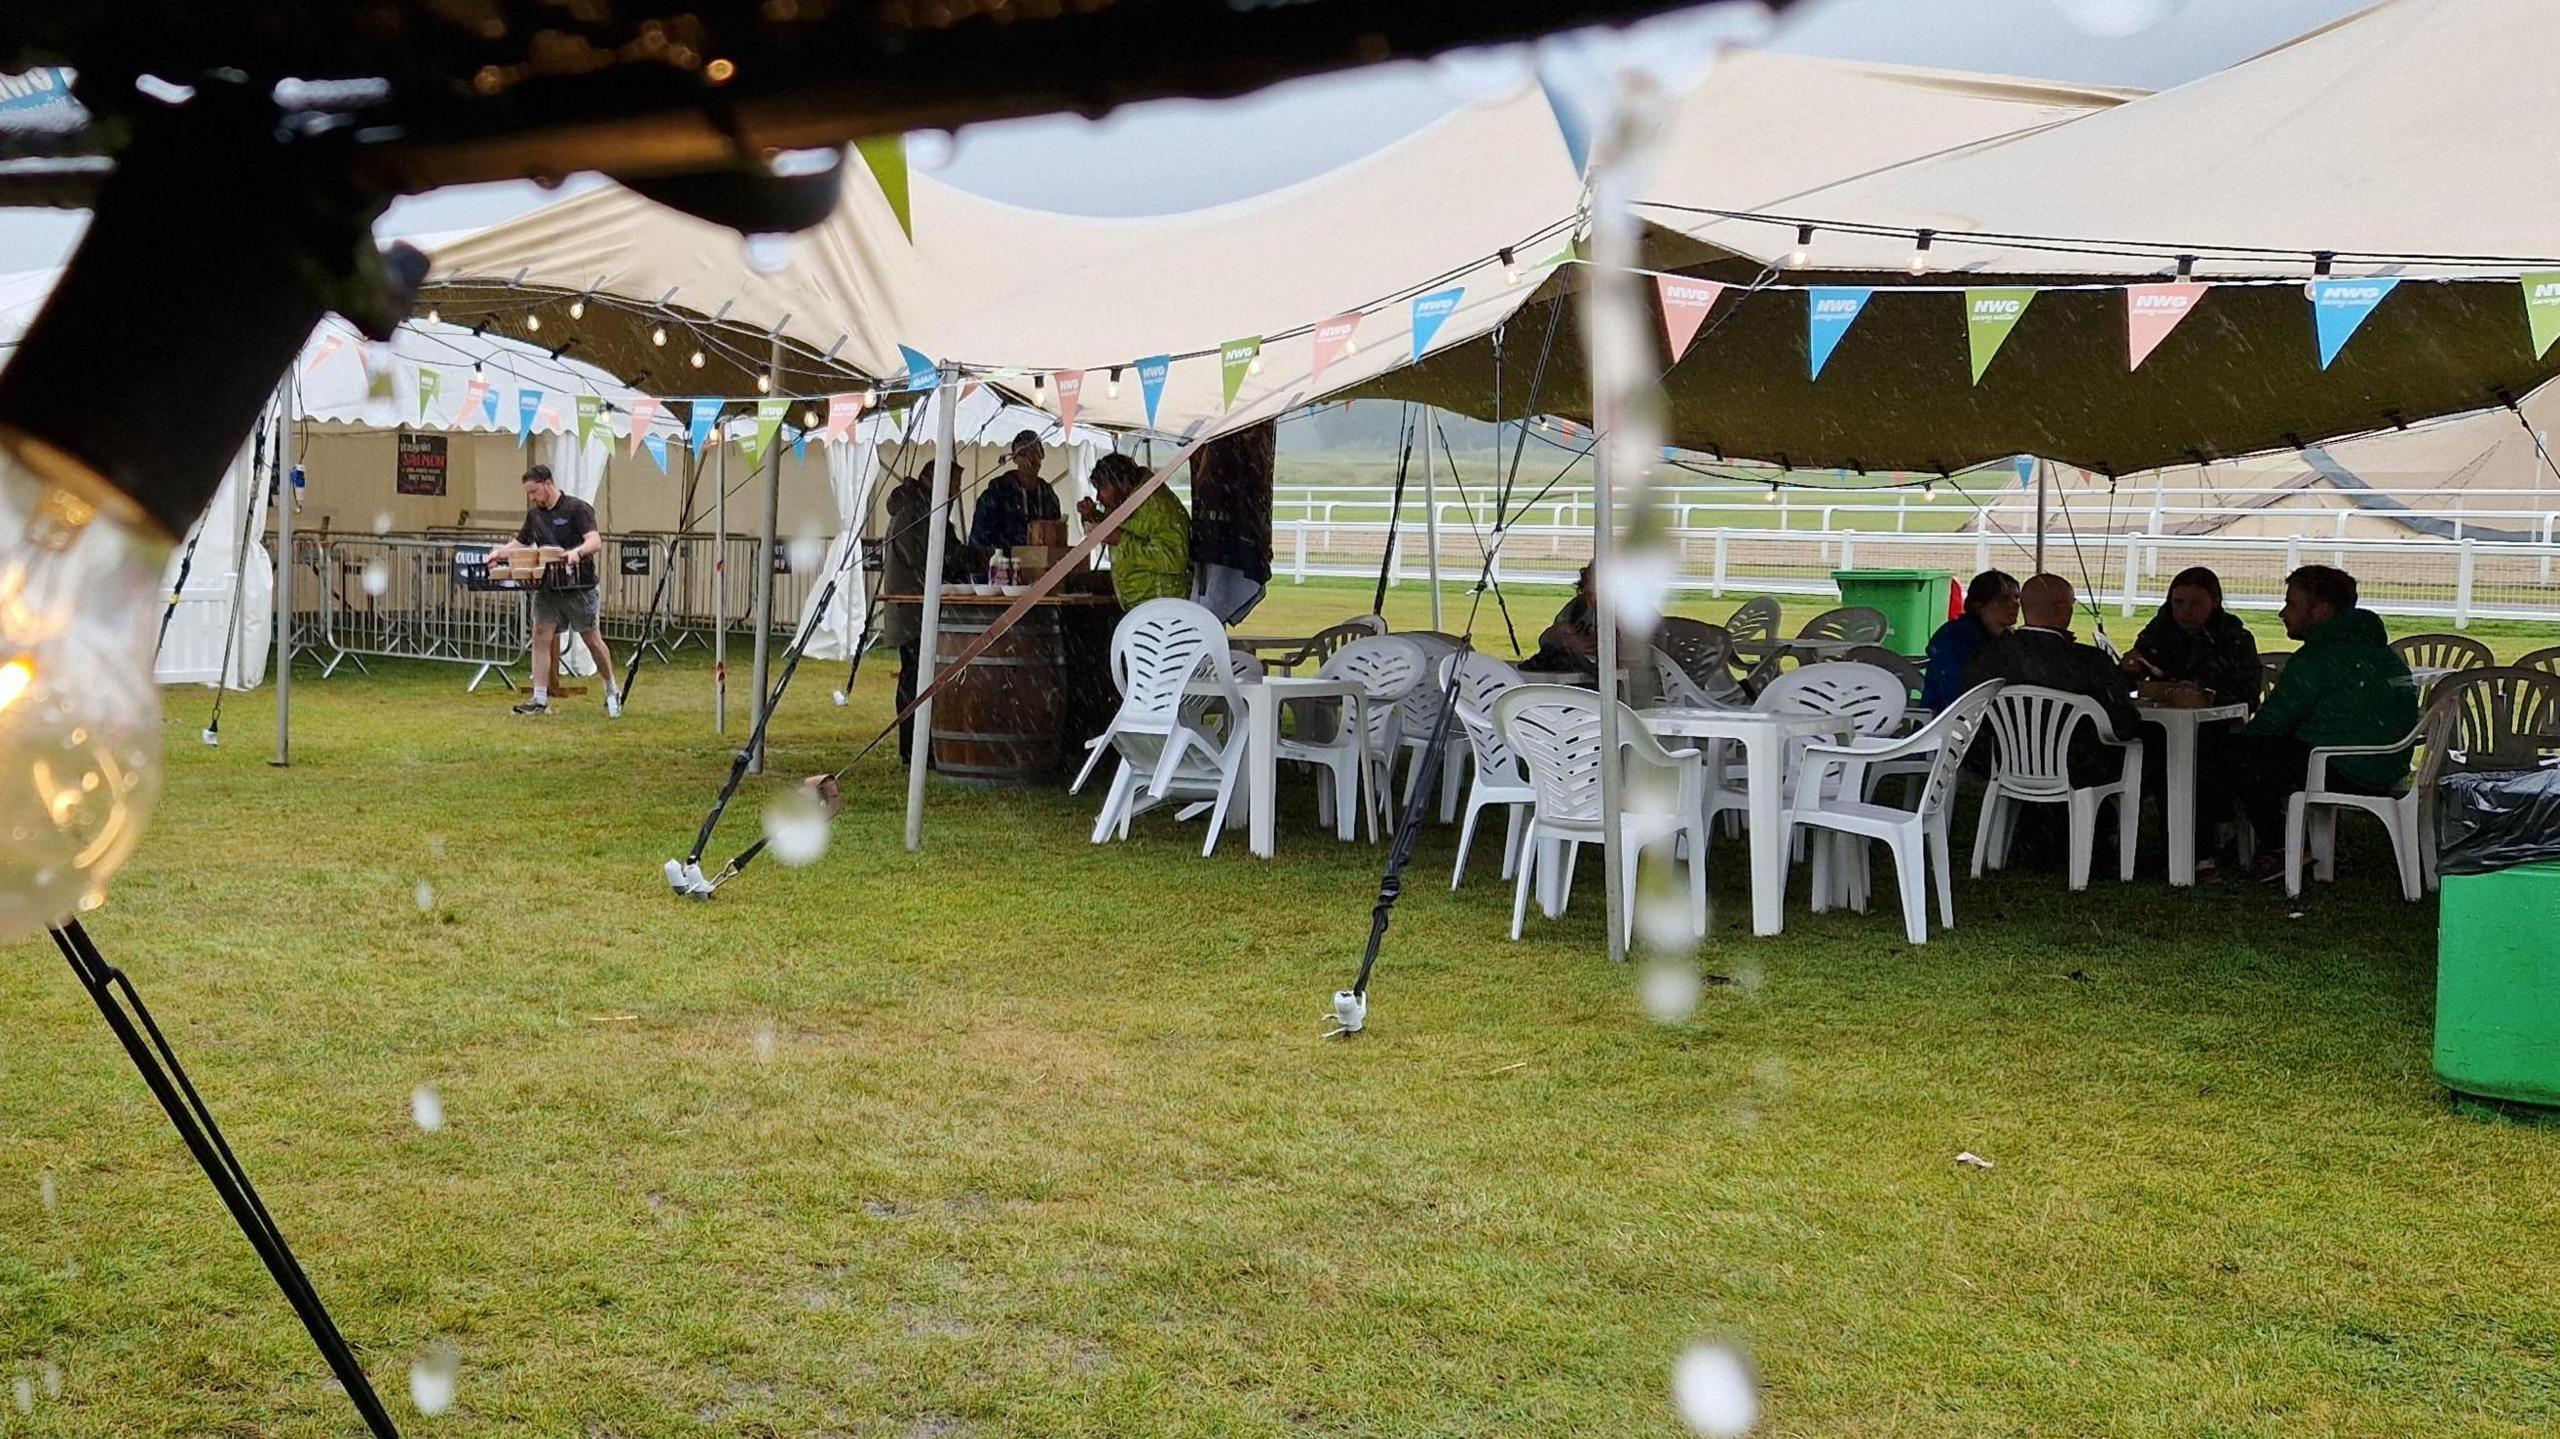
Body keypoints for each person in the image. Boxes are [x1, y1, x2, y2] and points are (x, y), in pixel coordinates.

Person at [2228, 565, 2418, 883]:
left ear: (2321, 610)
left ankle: (2279, 846)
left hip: (2343, 767)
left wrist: (2236, 740)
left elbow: (2274, 720)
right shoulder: (2382, 652)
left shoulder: (2318, 658)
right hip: (2389, 764)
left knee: (2238, 755)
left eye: (2292, 604)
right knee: (2268, 756)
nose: (2282, 613)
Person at [1965, 573, 2140, 785]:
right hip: (2080, 768)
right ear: (2062, 609)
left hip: (2003, 761)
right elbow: (2123, 722)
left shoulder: (1985, 657)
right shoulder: (2088, 661)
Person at [487, 464, 618, 718]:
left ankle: (612, 689)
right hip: (547, 586)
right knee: (540, 634)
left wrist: (576, 553)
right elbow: (520, 543)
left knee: (591, 639)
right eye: (529, 493)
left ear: (548, 484)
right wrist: (498, 553)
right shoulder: (535, 515)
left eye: (535, 491)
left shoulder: (577, 508)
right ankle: (539, 698)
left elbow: (595, 541)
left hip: (579, 586)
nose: (533, 498)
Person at [879, 460, 979, 763]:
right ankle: (912, 749)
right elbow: (925, 555)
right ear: (936, 482)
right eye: (953, 485)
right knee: (914, 679)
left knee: (919, 677)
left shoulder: (925, 508)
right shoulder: (913, 511)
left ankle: (922, 745)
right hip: (912, 607)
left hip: (918, 605)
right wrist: (963, 560)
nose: (956, 492)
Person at [2123, 566, 2261, 707]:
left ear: (2215, 602)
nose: (2186, 611)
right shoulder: (2158, 632)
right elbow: (2127, 684)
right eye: (2178, 602)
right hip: (2159, 720)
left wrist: (2206, 697)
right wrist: (2128, 672)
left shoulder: (2235, 639)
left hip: (2218, 722)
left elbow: (2249, 697)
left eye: (2196, 603)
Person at [1076, 452, 1190, 608]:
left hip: (1163, 606)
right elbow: (1128, 527)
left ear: (1123, 482)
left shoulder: (1159, 507)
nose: (1098, 497)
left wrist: (1122, 540)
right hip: (1142, 607)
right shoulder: (1126, 501)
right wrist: (1093, 516)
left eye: (1103, 488)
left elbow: (1174, 558)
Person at [1921, 569, 2020, 712]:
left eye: (2016, 597)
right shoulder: (1955, 639)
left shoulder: (2008, 639)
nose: (2015, 604)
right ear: (1979, 604)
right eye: (2003, 599)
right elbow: (1956, 693)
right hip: (1947, 720)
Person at [967, 430, 1063, 552]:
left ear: (1042, 454)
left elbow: (1056, 537)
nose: (1030, 459)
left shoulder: (1048, 496)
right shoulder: (997, 494)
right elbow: (979, 542)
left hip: (1042, 567)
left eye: (1034, 451)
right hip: (1003, 566)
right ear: (1014, 458)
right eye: (1023, 453)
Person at [1523, 565, 1600, 673]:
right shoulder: (1577, 607)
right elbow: (1544, 640)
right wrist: (1562, 638)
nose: (1592, 600)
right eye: (1589, 594)